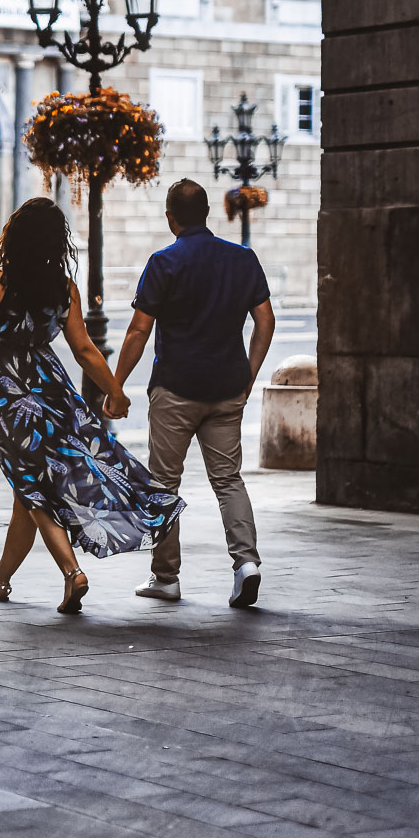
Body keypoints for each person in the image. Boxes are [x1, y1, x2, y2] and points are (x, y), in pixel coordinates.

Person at [0, 199, 185, 614]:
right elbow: (84, 349)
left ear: (15, 236)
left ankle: (72, 573)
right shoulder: (64, 288)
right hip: (54, 389)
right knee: (28, 487)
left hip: (11, 396)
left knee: (30, 486)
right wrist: (115, 391)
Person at [112, 179, 276, 607]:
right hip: (227, 389)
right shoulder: (242, 258)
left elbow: (138, 331)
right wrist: (248, 375)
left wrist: (115, 385)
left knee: (164, 483)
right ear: (206, 213)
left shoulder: (164, 262)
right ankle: (246, 564)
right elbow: (265, 320)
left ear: (171, 218)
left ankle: (166, 577)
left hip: (176, 390)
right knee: (228, 480)